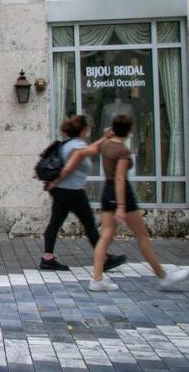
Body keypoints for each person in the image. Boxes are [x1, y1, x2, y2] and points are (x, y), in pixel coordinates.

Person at [63, 114, 189, 292]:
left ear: (113, 128)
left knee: (105, 235)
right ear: (130, 131)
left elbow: (88, 151)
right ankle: (162, 275)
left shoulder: (106, 145)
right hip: (121, 194)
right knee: (142, 236)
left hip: (107, 191)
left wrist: (104, 137)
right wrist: (121, 207)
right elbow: (120, 179)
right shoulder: (122, 151)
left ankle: (97, 279)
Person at [40, 115, 126, 272]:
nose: (89, 130)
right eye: (87, 127)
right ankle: (104, 258)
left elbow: (92, 149)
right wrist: (55, 182)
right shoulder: (78, 146)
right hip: (73, 191)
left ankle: (48, 258)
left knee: (55, 223)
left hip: (61, 192)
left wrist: (104, 138)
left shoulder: (68, 144)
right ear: (83, 130)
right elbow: (68, 169)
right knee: (89, 224)